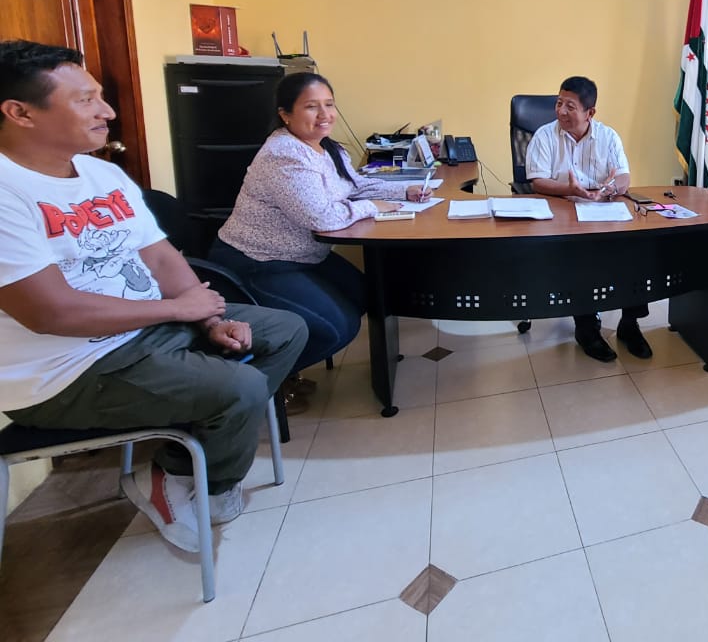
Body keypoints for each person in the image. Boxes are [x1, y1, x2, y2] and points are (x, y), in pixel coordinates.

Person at [0, 40, 307, 553]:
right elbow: (50, 312)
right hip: (69, 370)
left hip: (147, 330)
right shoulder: (7, 192)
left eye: (100, 96)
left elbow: (161, 258)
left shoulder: (100, 172)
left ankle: (177, 466)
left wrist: (208, 320)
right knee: (242, 388)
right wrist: (179, 309)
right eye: (85, 100)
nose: (107, 111)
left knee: (286, 329)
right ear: (20, 113)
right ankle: (199, 478)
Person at [210, 72, 429, 404]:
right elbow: (321, 217)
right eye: (312, 106)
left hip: (305, 256)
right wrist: (373, 207)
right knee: (337, 328)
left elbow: (355, 186)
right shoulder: (284, 154)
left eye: (329, 104)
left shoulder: (327, 147)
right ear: (285, 114)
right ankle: (254, 385)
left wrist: (405, 191)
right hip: (259, 261)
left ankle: (285, 369)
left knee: (368, 295)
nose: (325, 114)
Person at [524, 75, 651, 361]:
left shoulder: (608, 137)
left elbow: (624, 177)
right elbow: (537, 182)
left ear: (590, 112)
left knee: (638, 249)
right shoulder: (544, 136)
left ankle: (630, 324)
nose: (561, 111)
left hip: (603, 211)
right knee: (581, 255)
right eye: (559, 103)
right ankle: (586, 327)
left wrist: (611, 188)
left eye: (570, 106)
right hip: (563, 213)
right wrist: (569, 190)